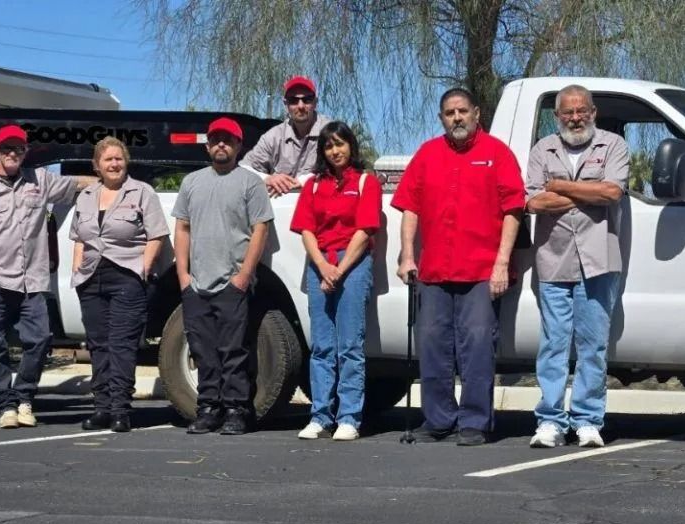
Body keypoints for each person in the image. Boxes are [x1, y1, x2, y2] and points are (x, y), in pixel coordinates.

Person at [391, 88, 525, 446]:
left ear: (476, 113)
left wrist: (501, 263)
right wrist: (407, 256)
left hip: (481, 271)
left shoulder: (497, 153)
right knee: (432, 345)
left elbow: (514, 210)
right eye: (449, 113)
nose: (457, 118)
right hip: (434, 270)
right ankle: (437, 420)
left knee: (477, 346)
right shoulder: (427, 154)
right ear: (441, 118)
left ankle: (474, 422)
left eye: (463, 111)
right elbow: (409, 208)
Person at [0, 125, 96, 429]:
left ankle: (25, 398)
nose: (12, 154)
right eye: (7, 148)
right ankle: (6, 405)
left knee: (41, 340)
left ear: (26, 152)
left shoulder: (40, 180)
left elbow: (75, 184)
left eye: (18, 149)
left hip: (32, 283)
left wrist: (111, 180)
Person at [526, 84, 629, 449]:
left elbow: (612, 193)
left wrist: (559, 186)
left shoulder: (613, 146)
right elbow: (534, 202)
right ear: (557, 117)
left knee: (593, 346)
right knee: (553, 344)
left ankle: (587, 420)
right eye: (567, 112)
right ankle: (550, 421)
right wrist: (585, 192)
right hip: (553, 260)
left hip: (599, 260)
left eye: (581, 110)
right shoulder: (543, 149)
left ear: (593, 111)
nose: (575, 117)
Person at [173, 117, 274, 435]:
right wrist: (183, 277)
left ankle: (236, 410)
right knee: (203, 350)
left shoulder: (250, 182)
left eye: (228, 140)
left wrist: (244, 275)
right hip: (197, 284)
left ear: (238, 146)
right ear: (207, 145)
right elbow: (182, 228)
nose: (221, 144)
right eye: (216, 139)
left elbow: (261, 228)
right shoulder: (191, 182)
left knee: (234, 351)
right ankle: (207, 409)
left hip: (233, 282)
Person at [70, 136, 170, 433]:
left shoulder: (142, 192)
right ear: (97, 166)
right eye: (108, 159)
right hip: (90, 277)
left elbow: (157, 236)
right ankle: (101, 407)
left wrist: (142, 269)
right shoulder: (87, 195)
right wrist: (77, 271)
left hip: (126, 275)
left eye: (119, 158)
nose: (114, 164)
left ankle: (120, 410)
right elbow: (79, 238)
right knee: (97, 345)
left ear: (126, 162)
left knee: (121, 345)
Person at [290, 121, 382, 441]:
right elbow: (305, 229)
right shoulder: (314, 185)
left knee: (350, 345)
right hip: (319, 262)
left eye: (340, 144)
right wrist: (322, 266)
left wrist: (339, 269)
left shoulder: (367, 182)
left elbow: (366, 228)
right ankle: (319, 415)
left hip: (352, 263)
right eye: (329, 146)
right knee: (321, 346)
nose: (335, 151)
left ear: (351, 147)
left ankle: (349, 417)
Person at [240, 75, 330, 197]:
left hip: (321, 204)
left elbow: (345, 170)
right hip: (281, 207)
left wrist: (306, 181)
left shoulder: (331, 132)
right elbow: (243, 168)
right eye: (293, 100)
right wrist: (267, 179)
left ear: (315, 102)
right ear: (285, 103)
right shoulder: (273, 136)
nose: (301, 106)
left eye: (307, 99)